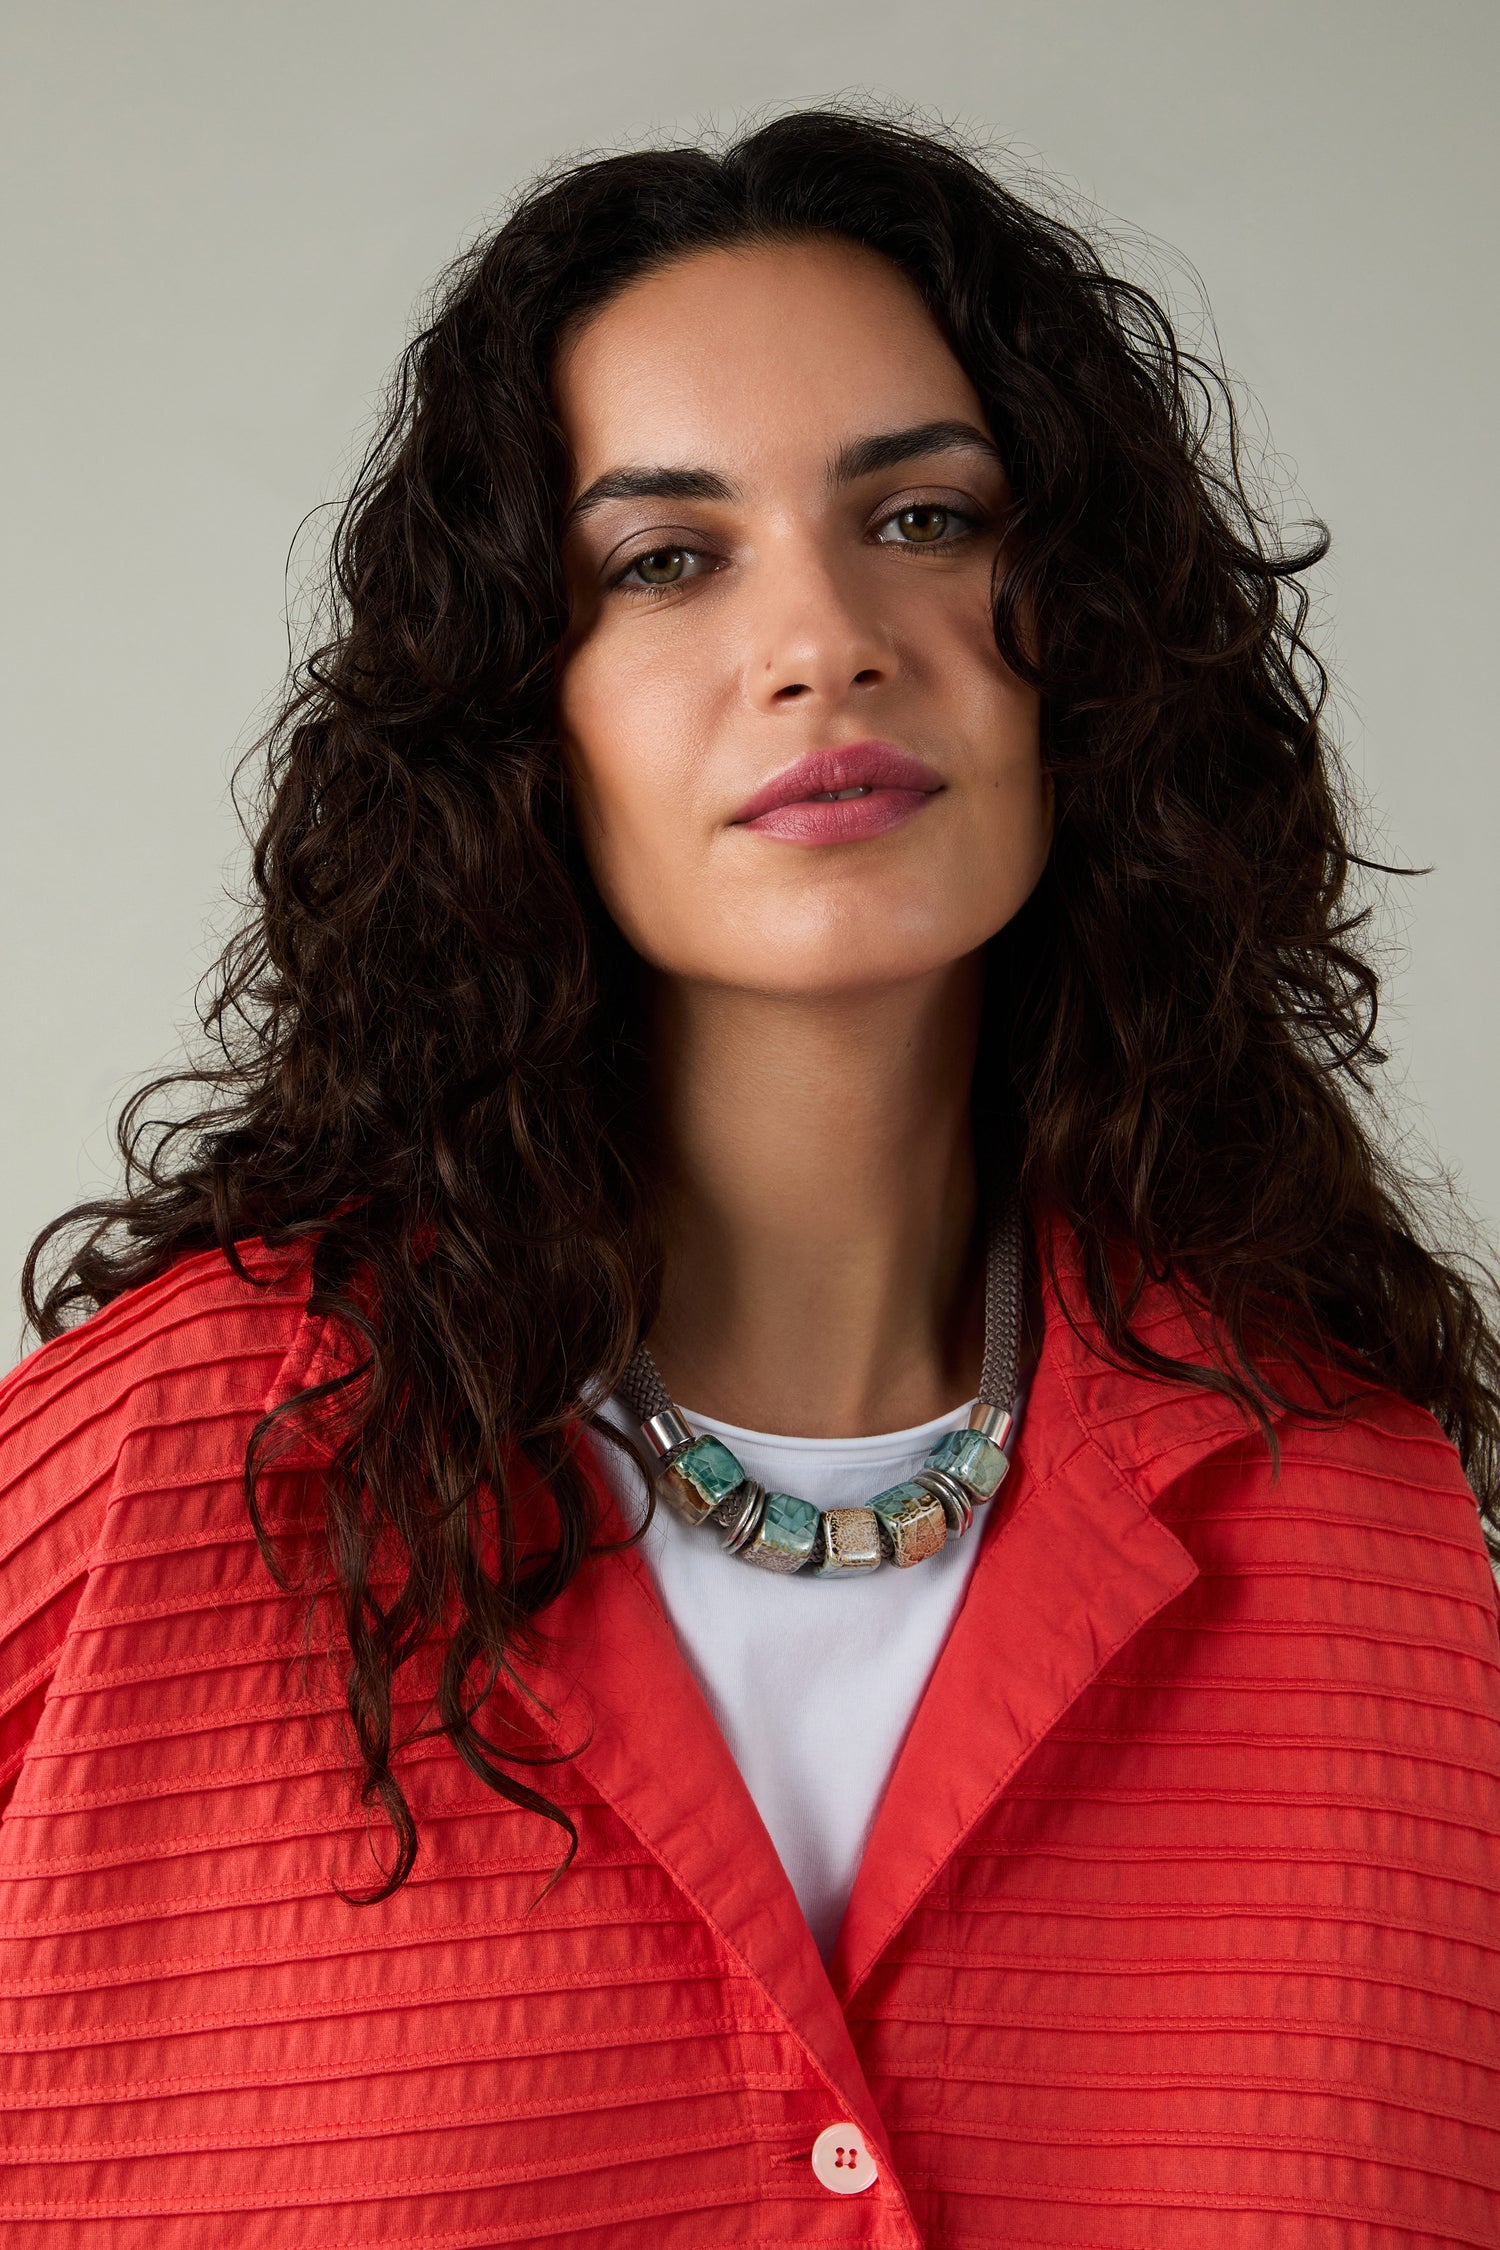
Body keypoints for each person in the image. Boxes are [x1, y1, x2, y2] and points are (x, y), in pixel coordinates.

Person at [1, 107, 1497, 2249]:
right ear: (524, 708)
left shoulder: (1359, 1519)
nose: (826, 638)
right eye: (666, 560)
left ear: (1083, 638)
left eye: (923, 516)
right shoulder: (140, 1481)